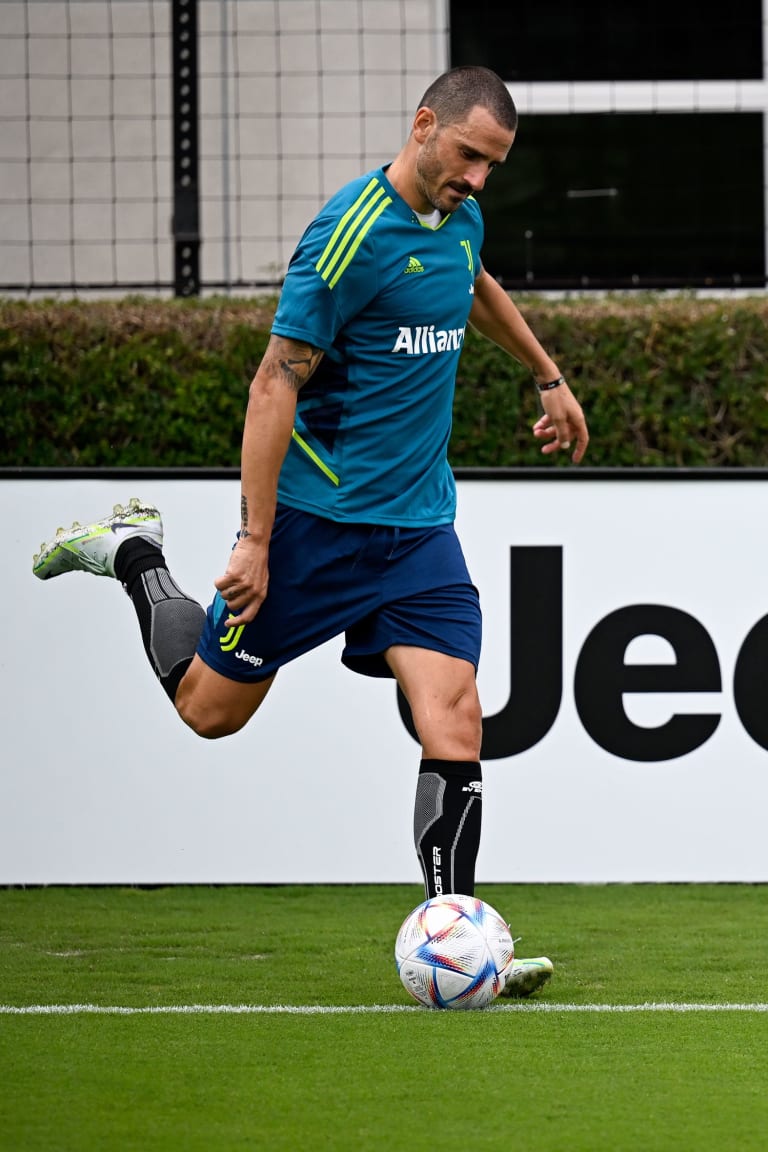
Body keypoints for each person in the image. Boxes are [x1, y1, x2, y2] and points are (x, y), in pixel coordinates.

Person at [33, 66, 587, 998]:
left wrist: (547, 374)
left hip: (418, 530)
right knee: (208, 712)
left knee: (454, 712)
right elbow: (274, 381)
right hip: (315, 529)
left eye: (493, 166)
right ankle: (135, 554)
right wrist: (254, 540)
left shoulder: (460, 220)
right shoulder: (347, 235)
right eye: (468, 156)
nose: (477, 180)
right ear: (423, 125)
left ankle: (458, 937)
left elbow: (472, 284)